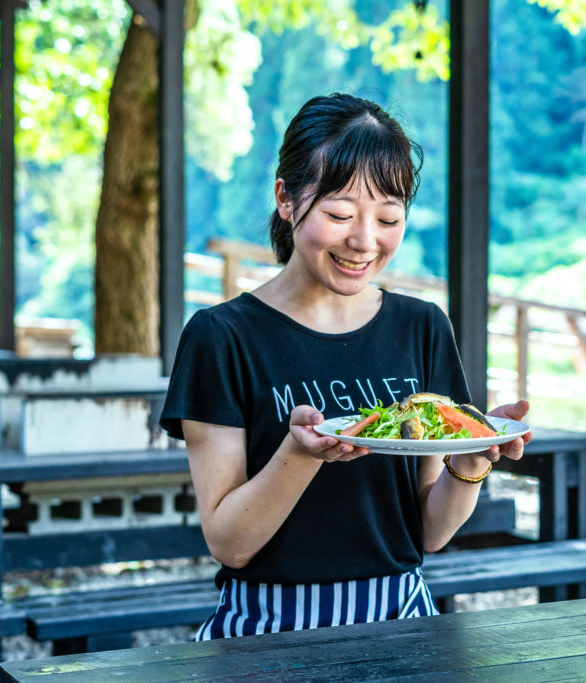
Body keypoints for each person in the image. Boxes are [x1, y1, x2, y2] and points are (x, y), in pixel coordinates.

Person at [159, 93, 531, 639]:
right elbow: (230, 543)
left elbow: (430, 531)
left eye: (388, 218)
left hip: (403, 620)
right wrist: (300, 453)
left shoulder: (421, 327)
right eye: (338, 214)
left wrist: (471, 461)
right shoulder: (222, 337)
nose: (364, 241)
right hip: (266, 632)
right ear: (286, 198)